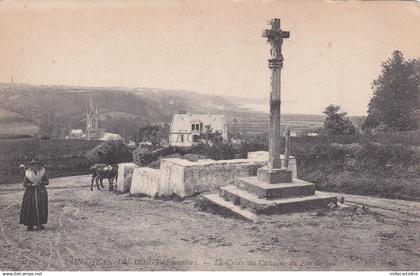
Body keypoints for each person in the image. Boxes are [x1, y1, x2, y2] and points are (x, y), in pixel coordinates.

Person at [19, 158, 49, 231]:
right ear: (31, 166)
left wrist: (41, 182)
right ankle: (30, 225)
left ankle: (40, 224)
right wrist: (32, 184)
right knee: (30, 207)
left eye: (37, 165)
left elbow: (47, 182)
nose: (35, 166)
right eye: (34, 165)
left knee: (40, 207)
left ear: (39, 166)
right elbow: (24, 184)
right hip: (30, 193)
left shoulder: (43, 172)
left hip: (41, 192)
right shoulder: (28, 173)